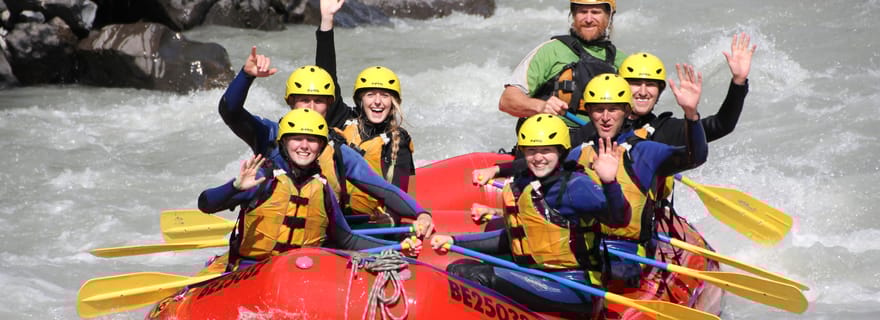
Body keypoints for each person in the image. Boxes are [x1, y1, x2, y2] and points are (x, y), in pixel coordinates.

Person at [475, 73, 708, 292]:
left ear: (626, 112)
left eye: (613, 110)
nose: (605, 117)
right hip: (584, 252)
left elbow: (693, 157)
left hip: (626, 255)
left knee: (614, 272)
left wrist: (691, 115)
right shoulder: (578, 152)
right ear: (589, 112)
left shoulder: (644, 152)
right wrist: (497, 179)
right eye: (598, 110)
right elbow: (541, 177)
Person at [217, 49, 434, 238]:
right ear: (291, 102)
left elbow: (385, 190)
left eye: (319, 101)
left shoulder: (339, 149)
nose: (311, 108)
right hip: (267, 254)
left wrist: (420, 213)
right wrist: (246, 76)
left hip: (319, 245)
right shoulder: (268, 135)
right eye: (303, 100)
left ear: (329, 106)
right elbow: (230, 112)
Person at [429, 113, 630, 317]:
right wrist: (455, 242)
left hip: (575, 286)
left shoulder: (575, 186)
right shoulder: (522, 186)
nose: (538, 157)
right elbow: (513, 239)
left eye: (546, 150)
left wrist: (610, 183)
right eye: (532, 151)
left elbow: (619, 219)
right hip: (536, 276)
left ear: (561, 152)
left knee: (475, 276)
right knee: (459, 268)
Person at [198, 109, 422, 271]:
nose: (304, 146)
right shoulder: (262, 179)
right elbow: (206, 204)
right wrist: (234, 187)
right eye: (297, 139)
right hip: (252, 271)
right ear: (284, 143)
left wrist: (397, 249)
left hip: (302, 273)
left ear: (321, 146)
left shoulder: (322, 189)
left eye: (312, 140)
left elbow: (348, 239)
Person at [498, 0, 625, 132]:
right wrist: (540, 106)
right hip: (553, 143)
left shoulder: (622, 61)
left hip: (600, 142)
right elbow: (507, 100)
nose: (588, 19)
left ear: (609, 16)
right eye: (582, 12)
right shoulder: (550, 51)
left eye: (595, 12)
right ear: (573, 15)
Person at [337, 66, 416, 222]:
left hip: (368, 222)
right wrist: (325, 40)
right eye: (370, 95)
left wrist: (390, 221)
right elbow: (329, 85)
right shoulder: (343, 121)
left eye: (385, 96)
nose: (377, 102)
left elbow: (398, 194)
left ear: (393, 102)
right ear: (360, 100)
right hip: (335, 217)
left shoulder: (397, 140)